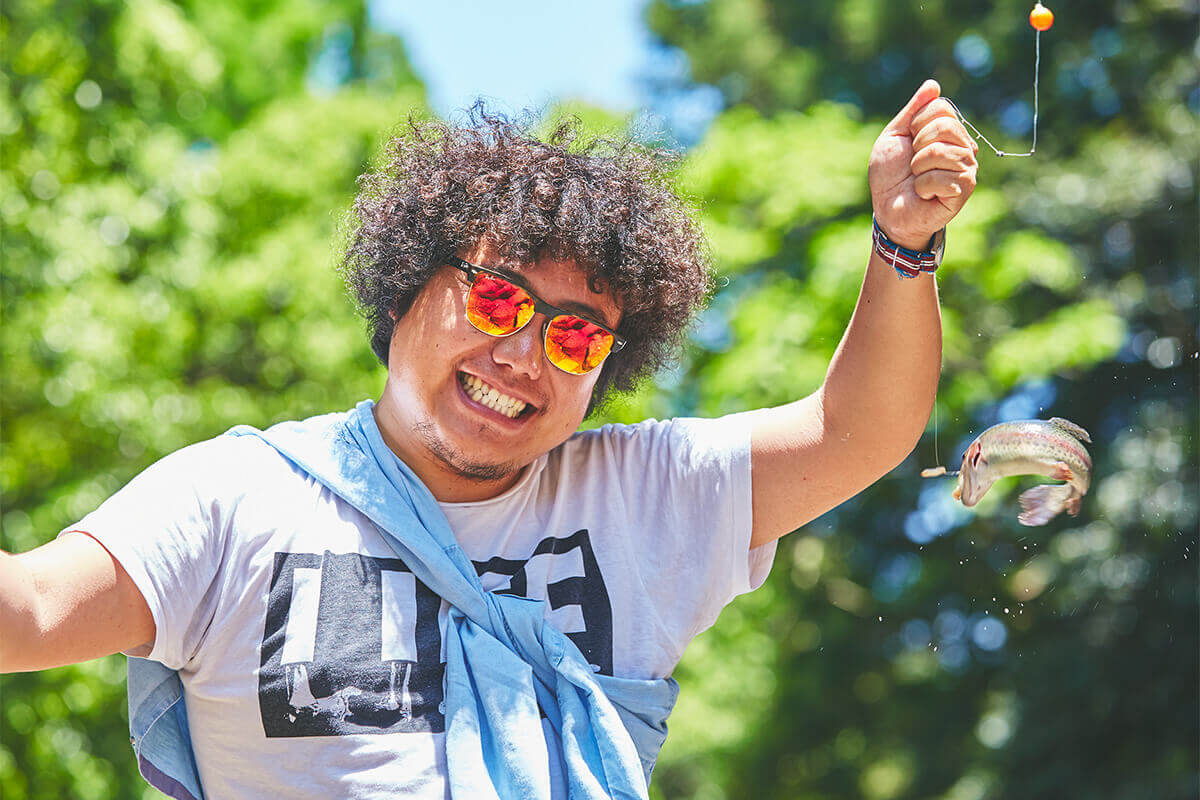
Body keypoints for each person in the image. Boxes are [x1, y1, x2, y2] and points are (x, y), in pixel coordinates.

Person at [0, 79, 977, 799]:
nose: (524, 352)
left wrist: (903, 244)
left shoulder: (638, 496)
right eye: (499, 297)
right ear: (405, 287)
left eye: (574, 332)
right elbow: (32, 609)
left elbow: (859, 430)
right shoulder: (239, 497)